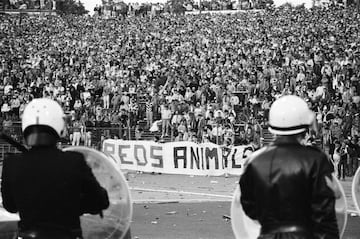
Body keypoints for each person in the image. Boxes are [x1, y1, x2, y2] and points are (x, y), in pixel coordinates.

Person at [1, 98, 110, 239]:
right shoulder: (74, 161)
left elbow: (10, 205)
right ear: (59, 125)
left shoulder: (12, 164)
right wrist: (74, 203)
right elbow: (99, 202)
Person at [239, 95, 339, 239]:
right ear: (304, 127)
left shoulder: (254, 161)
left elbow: (250, 208)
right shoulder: (315, 159)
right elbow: (325, 215)